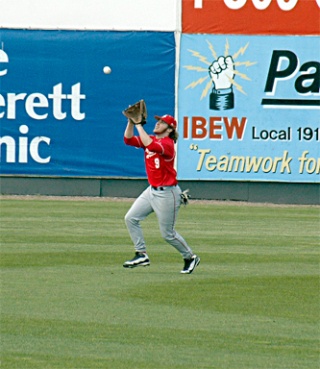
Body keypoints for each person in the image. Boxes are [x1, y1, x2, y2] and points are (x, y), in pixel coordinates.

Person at [123, 113, 200, 274]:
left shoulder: (168, 144)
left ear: (170, 129)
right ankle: (141, 254)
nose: (158, 123)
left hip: (168, 194)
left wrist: (139, 125)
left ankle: (190, 257)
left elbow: (150, 145)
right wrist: (131, 122)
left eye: (162, 122)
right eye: (158, 121)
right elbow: (128, 140)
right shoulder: (151, 139)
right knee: (130, 218)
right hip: (151, 190)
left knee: (168, 234)